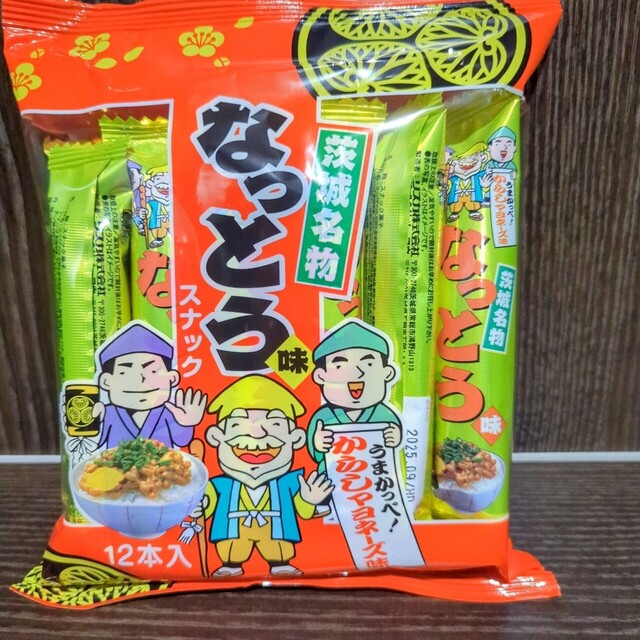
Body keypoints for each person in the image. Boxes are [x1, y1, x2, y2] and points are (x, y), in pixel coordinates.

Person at [189, 375, 333, 577]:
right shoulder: (221, 484)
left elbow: (302, 507)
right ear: (216, 437)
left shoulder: (290, 482)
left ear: (296, 438)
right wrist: (200, 504)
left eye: (275, 424)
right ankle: (230, 566)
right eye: (238, 424)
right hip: (232, 535)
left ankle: (280, 564)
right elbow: (208, 499)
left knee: (278, 547)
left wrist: (309, 499)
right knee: (232, 548)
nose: (256, 433)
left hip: (277, 534)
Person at [307, 320, 402, 477]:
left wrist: (396, 437)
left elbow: (396, 444)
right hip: (332, 479)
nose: (356, 372)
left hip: (374, 479)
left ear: (387, 373)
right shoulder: (323, 416)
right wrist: (317, 443)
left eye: (369, 364)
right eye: (339, 365)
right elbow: (314, 451)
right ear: (320, 376)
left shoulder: (384, 414)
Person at [93, 322, 206, 449]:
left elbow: (181, 440)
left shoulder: (168, 412)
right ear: (106, 381)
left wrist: (187, 423)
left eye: (152, 371)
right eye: (124, 372)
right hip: (114, 463)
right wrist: (93, 421)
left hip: (166, 462)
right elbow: (93, 444)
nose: (140, 380)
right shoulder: (109, 413)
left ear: (172, 378)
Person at [447, 142, 491, 222]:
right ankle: (454, 213)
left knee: (473, 204)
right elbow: (448, 186)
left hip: (472, 197)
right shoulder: (454, 179)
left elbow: (485, 184)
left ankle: (473, 212)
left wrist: (485, 186)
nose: (467, 162)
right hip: (457, 197)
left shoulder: (478, 176)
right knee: (455, 205)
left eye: (473, 159)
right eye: (461, 160)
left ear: (483, 158)